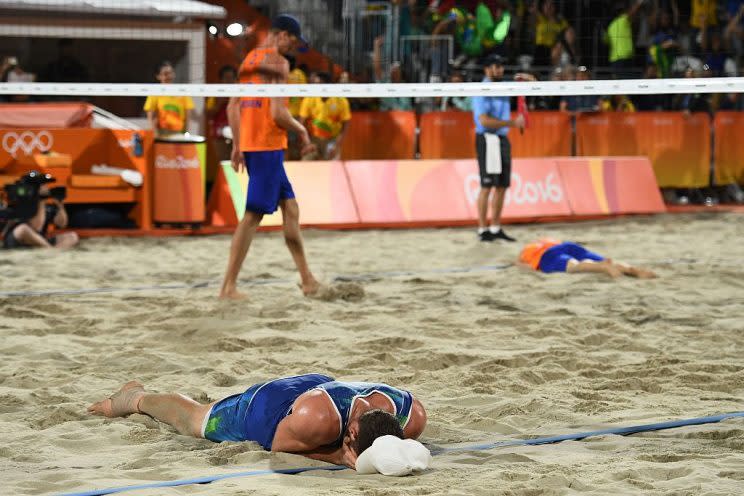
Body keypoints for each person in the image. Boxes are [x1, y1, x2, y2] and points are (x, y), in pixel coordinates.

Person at [87, 373, 427, 469]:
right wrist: (336, 457)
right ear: (351, 432)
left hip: (322, 389)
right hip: (273, 406)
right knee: (195, 422)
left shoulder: (413, 416)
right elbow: (280, 447)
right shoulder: (317, 423)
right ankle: (133, 399)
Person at [220, 14, 319, 300]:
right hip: (267, 145)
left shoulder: (249, 59)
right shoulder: (279, 63)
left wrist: (238, 145)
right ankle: (228, 287)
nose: (294, 48)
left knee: (291, 209)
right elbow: (278, 113)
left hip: (253, 144)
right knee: (252, 216)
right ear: (284, 35)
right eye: (294, 42)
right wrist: (301, 131)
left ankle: (307, 280)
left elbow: (232, 108)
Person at [471, 54, 524, 243]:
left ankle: (495, 227)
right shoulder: (481, 89)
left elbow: (529, 82)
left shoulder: (504, 86)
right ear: (486, 69)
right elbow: (483, 120)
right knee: (487, 186)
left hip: (502, 138)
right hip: (487, 139)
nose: (499, 69)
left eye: (501, 66)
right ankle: (482, 229)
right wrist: (512, 122)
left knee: (502, 186)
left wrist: (526, 77)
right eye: (495, 66)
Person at [1, 171, 78, 249]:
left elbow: (62, 224)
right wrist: (40, 199)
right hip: (18, 240)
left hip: (39, 239)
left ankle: (53, 250)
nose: (46, 188)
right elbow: (35, 227)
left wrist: (60, 205)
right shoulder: (23, 203)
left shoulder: (47, 206)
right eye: (42, 185)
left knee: (72, 236)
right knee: (23, 229)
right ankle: (50, 250)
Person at [518, 238, 657, 278]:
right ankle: (633, 270)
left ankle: (602, 267)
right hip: (568, 245)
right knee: (605, 259)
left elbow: (522, 265)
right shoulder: (547, 240)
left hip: (548, 255)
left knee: (573, 266)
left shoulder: (528, 250)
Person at [299, 71, 352, 160]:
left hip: (332, 140)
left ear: (327, 85)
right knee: (305, 163)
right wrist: (307, 143)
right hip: (313, 140)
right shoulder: (309, 99)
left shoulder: (341, 100)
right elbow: (301, 124)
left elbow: (345, 126)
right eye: (314, 84)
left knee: (333, 169)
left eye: (318, 84)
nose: (314, 87)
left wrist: (336, 145)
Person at [143, 61, 194, 136]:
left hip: (179, 133)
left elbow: (188, 115)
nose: (169, 76)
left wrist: (186, 133)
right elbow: (151, 116)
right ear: (158, 76)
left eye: (171, 73)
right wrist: (155, 134)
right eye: (166, 74)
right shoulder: (155, 93)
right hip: (162, 133)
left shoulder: (182, 92)